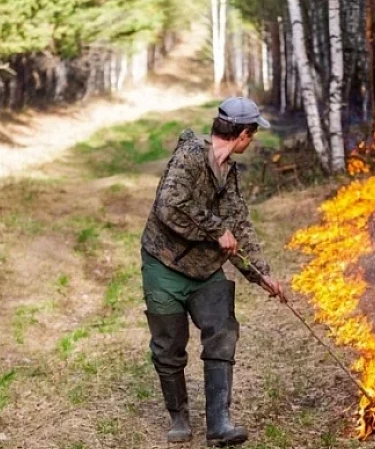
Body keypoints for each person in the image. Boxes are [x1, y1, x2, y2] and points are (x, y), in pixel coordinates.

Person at [140, 97, 283, 447]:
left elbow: (239, 226)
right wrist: (215, 229)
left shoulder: (229, 172)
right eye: (253, 134)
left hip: (206, 271)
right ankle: (178, 416)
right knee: (169, 346)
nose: (253, 141)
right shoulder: (190, 156)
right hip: (165, 265)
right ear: (243, 134)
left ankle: (219, 424)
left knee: (222, 331)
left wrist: (261, 274)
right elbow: (168, 207)